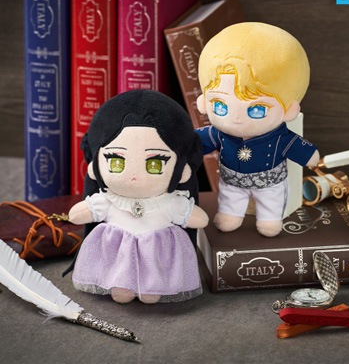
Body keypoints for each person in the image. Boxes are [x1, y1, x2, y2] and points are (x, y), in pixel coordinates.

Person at [68, 90, 209, 304]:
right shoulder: (109, 200)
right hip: (116, 255)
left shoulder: (170, 202)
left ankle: (153, 287)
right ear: (95, 164)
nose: (134, 175)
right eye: (117, 162)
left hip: (158, 253)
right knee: (121, 284)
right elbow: (77, 215)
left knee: (152, 288)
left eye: (155, 164)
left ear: (182, 169)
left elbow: (198, 219)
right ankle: (121, 284)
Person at [195, 22, 319, 237]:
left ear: (288, 110)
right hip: (232, 180)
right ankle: (230, 214)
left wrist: (309, 156)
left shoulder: (279, 136)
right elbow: (196, 141)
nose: (236, 118)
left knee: (271, 200)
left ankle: (270, 219)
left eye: (257, 109)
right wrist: (185, 145)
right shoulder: (219, 134)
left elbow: (296, 146)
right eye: (221, 106)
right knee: (230, 198)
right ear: (204, 103)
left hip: (270, 182)